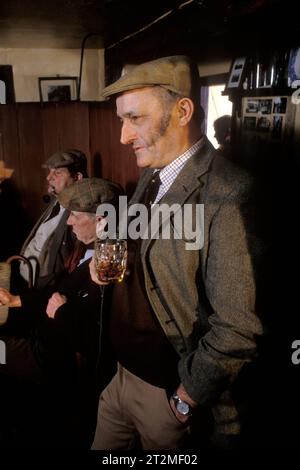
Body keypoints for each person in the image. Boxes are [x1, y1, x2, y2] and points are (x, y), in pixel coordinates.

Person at [90, 56, 264, 450]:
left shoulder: (230, 192)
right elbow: (147, 245)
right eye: (122, 120)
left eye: (134, 118)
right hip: (121, 377)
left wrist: (184, 400)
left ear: (183, 111)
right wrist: (105, 258)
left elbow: (238, 327)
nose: (122, 136)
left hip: (168, 396)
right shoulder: (152, 173)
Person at [0, 177, 123, 448]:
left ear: (102, 218)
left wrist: (62, 310)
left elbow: (98, 341)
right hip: (40, 343)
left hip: (52, 362)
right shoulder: (87, 251)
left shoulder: (110, 265)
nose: (68, 222)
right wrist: (15, 300)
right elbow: (53, 295)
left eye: (75, 216)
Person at [19, 149, 88, 289]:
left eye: (57, 173)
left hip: (45, 287)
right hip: (27, 279)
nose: (48, 177)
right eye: (50, 172)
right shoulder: (57, 201)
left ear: (77, 177)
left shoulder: (81, 211)